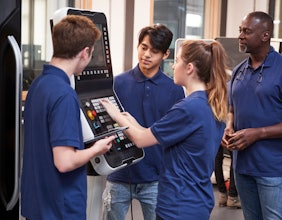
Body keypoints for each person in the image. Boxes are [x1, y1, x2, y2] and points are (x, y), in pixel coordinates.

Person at [100, 39, 228, 219]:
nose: (174, 66)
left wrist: (116, 115)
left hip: (179, 205)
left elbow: (141, 140)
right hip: (196, 201)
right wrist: (131, 121)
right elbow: (151, 133)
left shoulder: (188, 108)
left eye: (177, 61)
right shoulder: (208, 103)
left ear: (189, 68)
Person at [21, 15, 115, 220]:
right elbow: (64, 162)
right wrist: (97, 149)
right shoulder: (63, 94)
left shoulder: (37, 85)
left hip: (37, 204)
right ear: (85, 52)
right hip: (59, 209)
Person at [222, 11, 282, 220]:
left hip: (272, 169)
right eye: (240, 31)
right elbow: (232, 109)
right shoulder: (238, 71)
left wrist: (258, 133)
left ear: (265, 35)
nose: (241, 36)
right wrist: (229, 126)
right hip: (242, 166)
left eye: (247, 31)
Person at [102, 24, 185, 220]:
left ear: (165, 54)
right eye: (143, 47)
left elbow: (174, 136)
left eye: (154, 51)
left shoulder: (174, 90)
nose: (146, 54)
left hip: (156, 178)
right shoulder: (117, 83)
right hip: (119, 174)